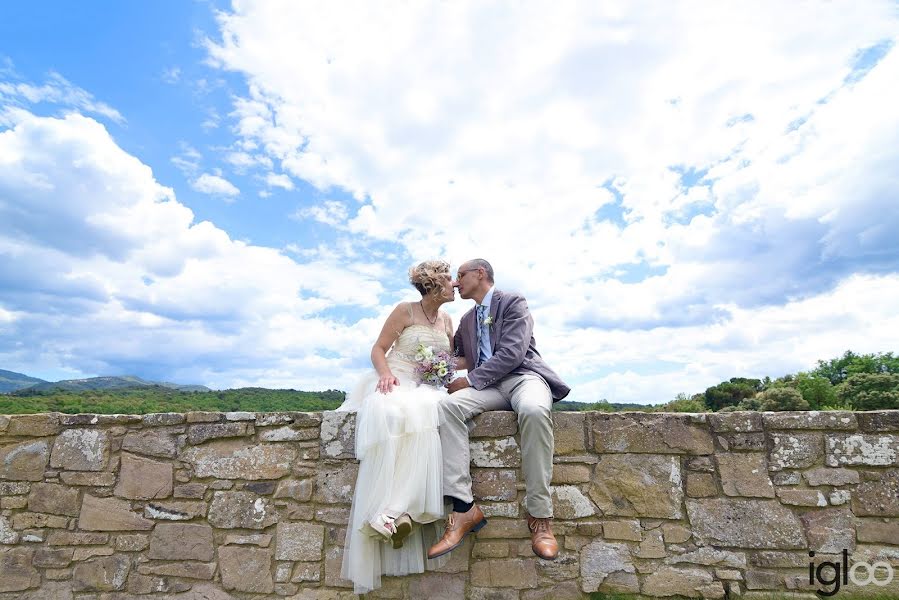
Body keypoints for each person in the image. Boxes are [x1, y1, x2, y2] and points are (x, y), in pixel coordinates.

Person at [428, 258, 570, 562]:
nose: (455, 282)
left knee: (533, 411)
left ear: (480, 274)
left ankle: (541, 519)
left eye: (460, 276)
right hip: (488, 389)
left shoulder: (512, 302)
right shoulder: (466, 320)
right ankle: (464, 509)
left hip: (523, 378)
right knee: (447, 408)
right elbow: (455, 357)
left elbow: (514, 352)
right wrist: (425, 366)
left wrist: (470, 380)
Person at [337, 260, 462, 594]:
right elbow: (378, 349)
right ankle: (394, 510)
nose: (455, 285)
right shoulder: (405, 311)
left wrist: (444, 372)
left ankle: (393, 512)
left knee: (432, 411)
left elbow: (452, 360)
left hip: (427, 387)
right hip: (396, 379)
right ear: (434, 285)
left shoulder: (448, 319)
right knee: (405, 414)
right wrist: (386, 375)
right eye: (450, 280)